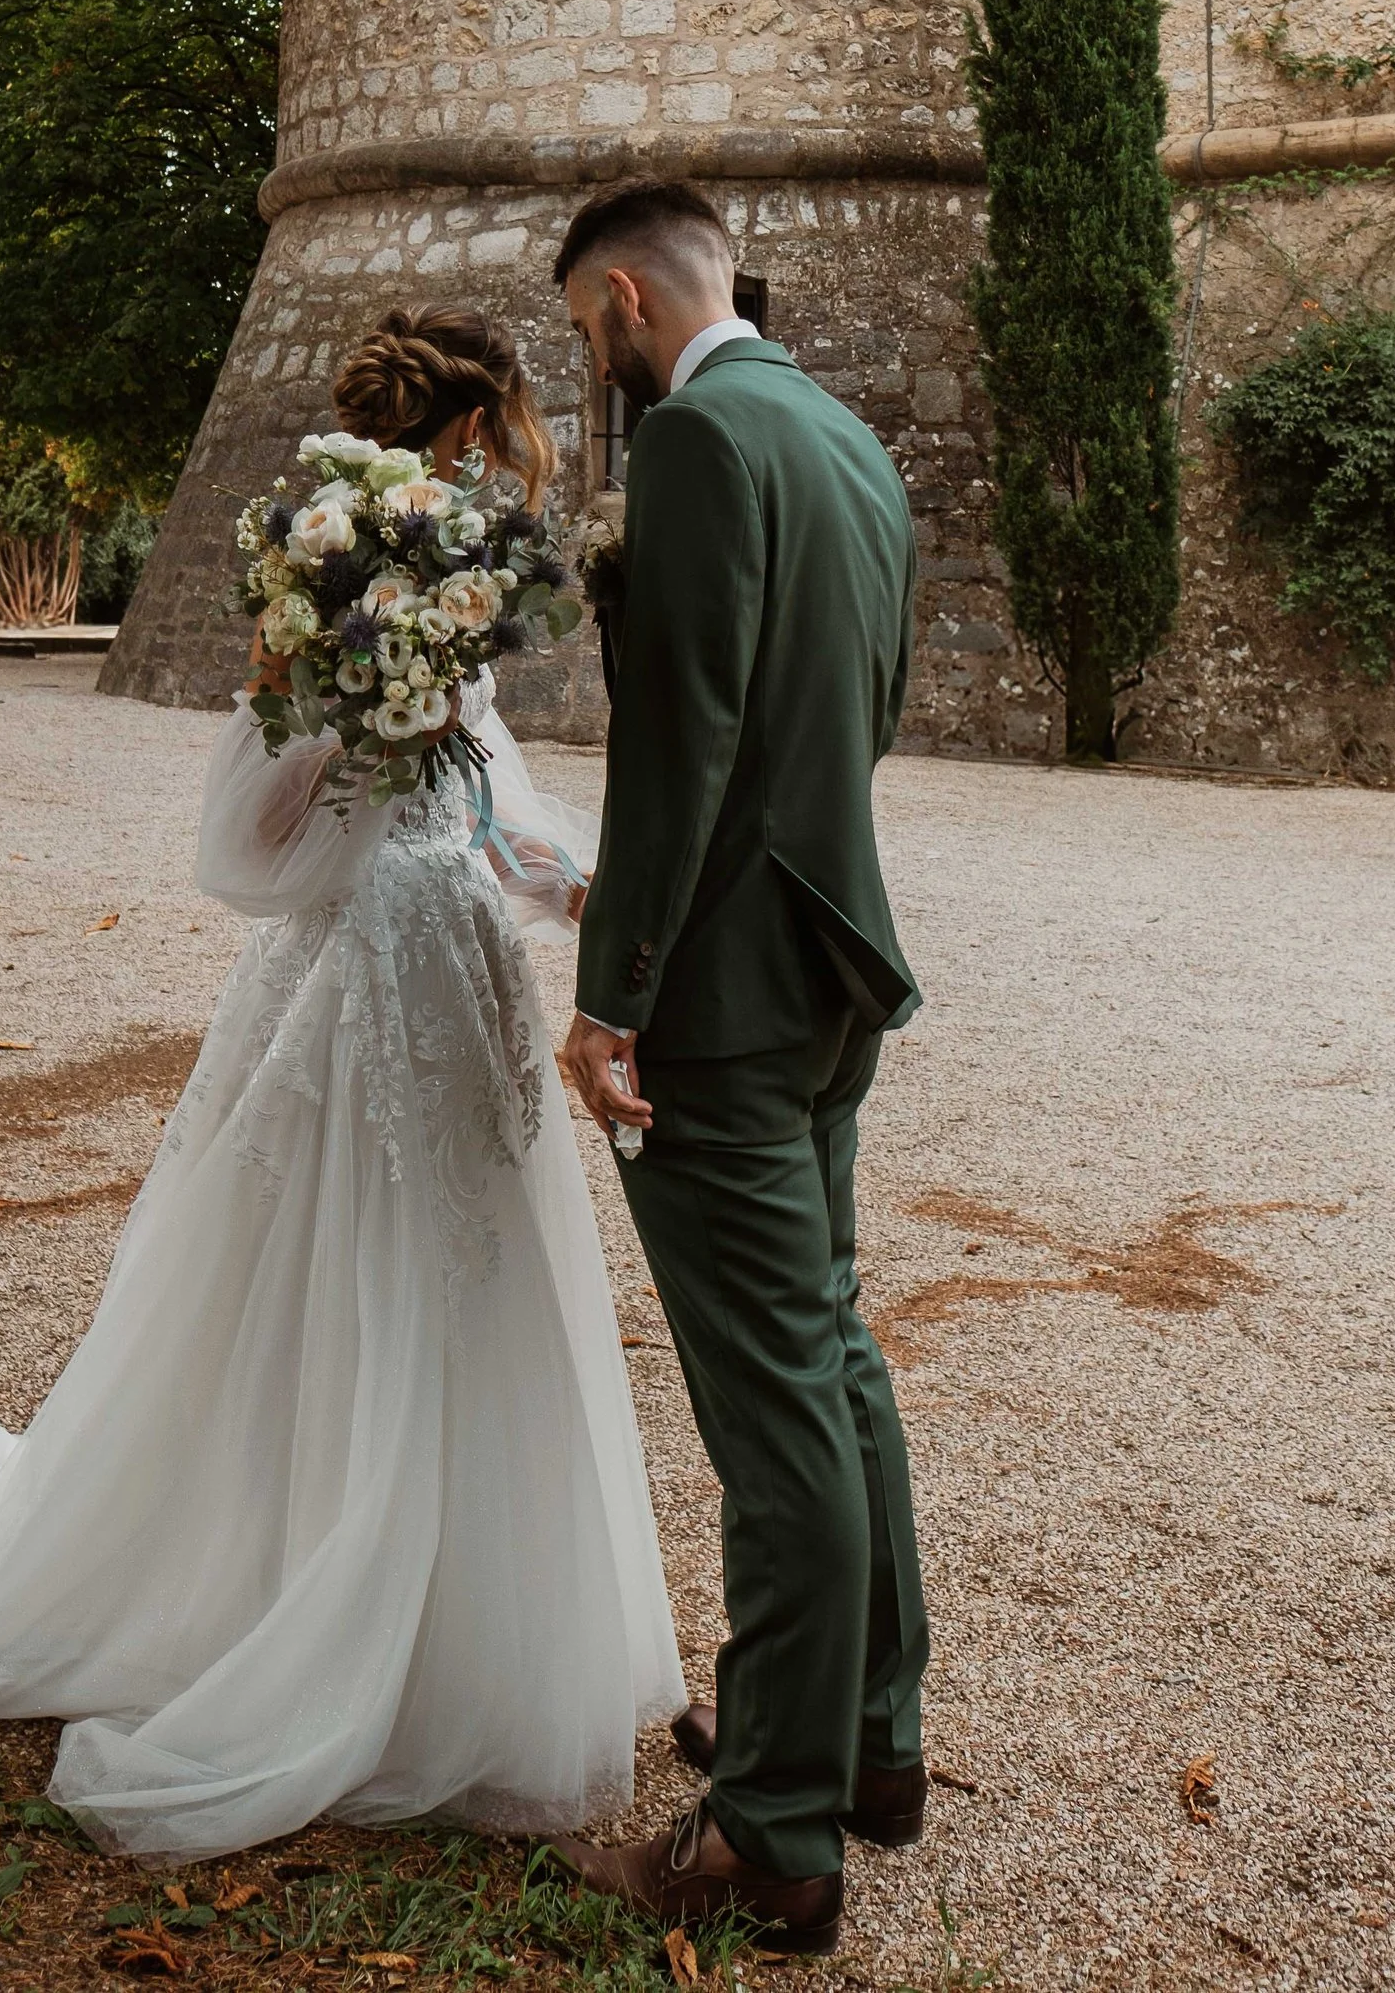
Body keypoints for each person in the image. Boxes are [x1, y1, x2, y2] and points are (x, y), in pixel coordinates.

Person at [0, 307, 682, 1857]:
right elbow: (260, 832)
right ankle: (314, 1619)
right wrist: (369, 718)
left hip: (460, 957)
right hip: (369, 965)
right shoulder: (339, 569)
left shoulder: (448, 564)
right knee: (352, 1264)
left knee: (468, 1268)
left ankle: (455, 1643)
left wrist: (589, 897)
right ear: (478, 431)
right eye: (517, 427)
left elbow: (485, 789)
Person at [548, 179, 931, 1959]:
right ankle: (863, 1740)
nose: (590, 362)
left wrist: (613, 996)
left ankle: (774, 1834)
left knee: (774, 1406)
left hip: (721, 990)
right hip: (833, 952)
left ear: (628, 296)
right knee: (832, 1350)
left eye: (582, 331)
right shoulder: (846, 439)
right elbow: (870, 704)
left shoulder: (701, 439)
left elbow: (679, 745)